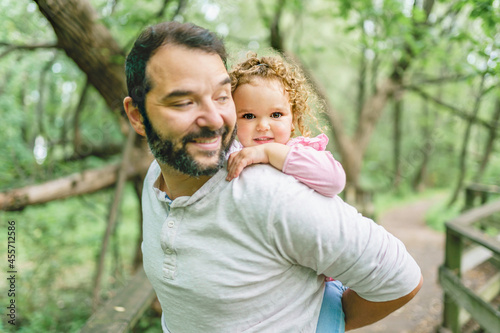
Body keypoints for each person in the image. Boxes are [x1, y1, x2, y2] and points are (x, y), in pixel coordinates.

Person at [123, 21, 423, 333]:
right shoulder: (156, 175)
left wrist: (321, 324)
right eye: (184, 101)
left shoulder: (275, 194)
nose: (213, 119)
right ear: (137, 115)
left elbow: (400, 278)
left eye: (221, 96)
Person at [226, 53, 346, 199]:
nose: (263, 126)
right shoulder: (233, 153)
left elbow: (335, 181)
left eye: (276, 115)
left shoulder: (300, 152)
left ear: (293, 119)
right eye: (249, 116)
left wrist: (268, 152)